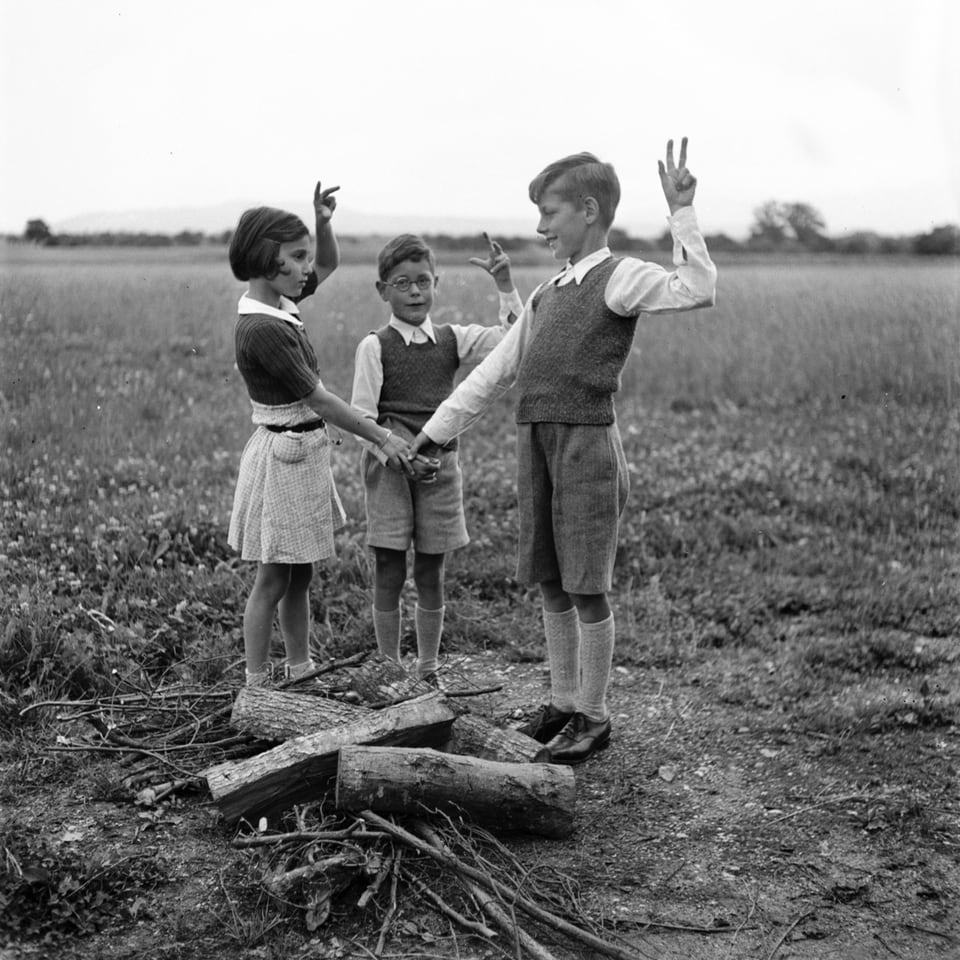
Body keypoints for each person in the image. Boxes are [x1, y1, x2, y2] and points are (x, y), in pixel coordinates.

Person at [410, 140, 718, 762]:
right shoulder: (547, 292)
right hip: (538, 444)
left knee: (585, 585)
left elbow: (696, 288)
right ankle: (562, 702)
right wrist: (434, 432)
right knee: (551, 581)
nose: (541, 226)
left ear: (587, 209)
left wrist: (680, 212)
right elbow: (495, 370)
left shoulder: (621, 275)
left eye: (549, 213)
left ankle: (595, 717)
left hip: (586, 448)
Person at [227, 183, 413, 687]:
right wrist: (380, 436)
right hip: (285, 454)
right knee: (273, 577)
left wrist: (322, 223)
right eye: (297, 257)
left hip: (303, 452)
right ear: (269, 260)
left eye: (305, 256)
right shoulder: (263, 328)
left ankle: (301, 669)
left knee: (300, 572)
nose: (309, 267)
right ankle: (259, 683)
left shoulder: (279, 301)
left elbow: (327, 267)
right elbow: (322, 400)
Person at [351, 232, 523, 682]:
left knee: (431, 569)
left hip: (440, 468)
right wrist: (395, 453)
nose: (414, 292)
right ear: (382, 290)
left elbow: (513, 340)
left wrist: (504, 283)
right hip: (389, 469)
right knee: (389, 566)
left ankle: (428, 668)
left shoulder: (452, 339)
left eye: (423, 282)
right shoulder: (374, 346)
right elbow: (361, 419)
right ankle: (390, 667)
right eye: (402, 283)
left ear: (436, 284)